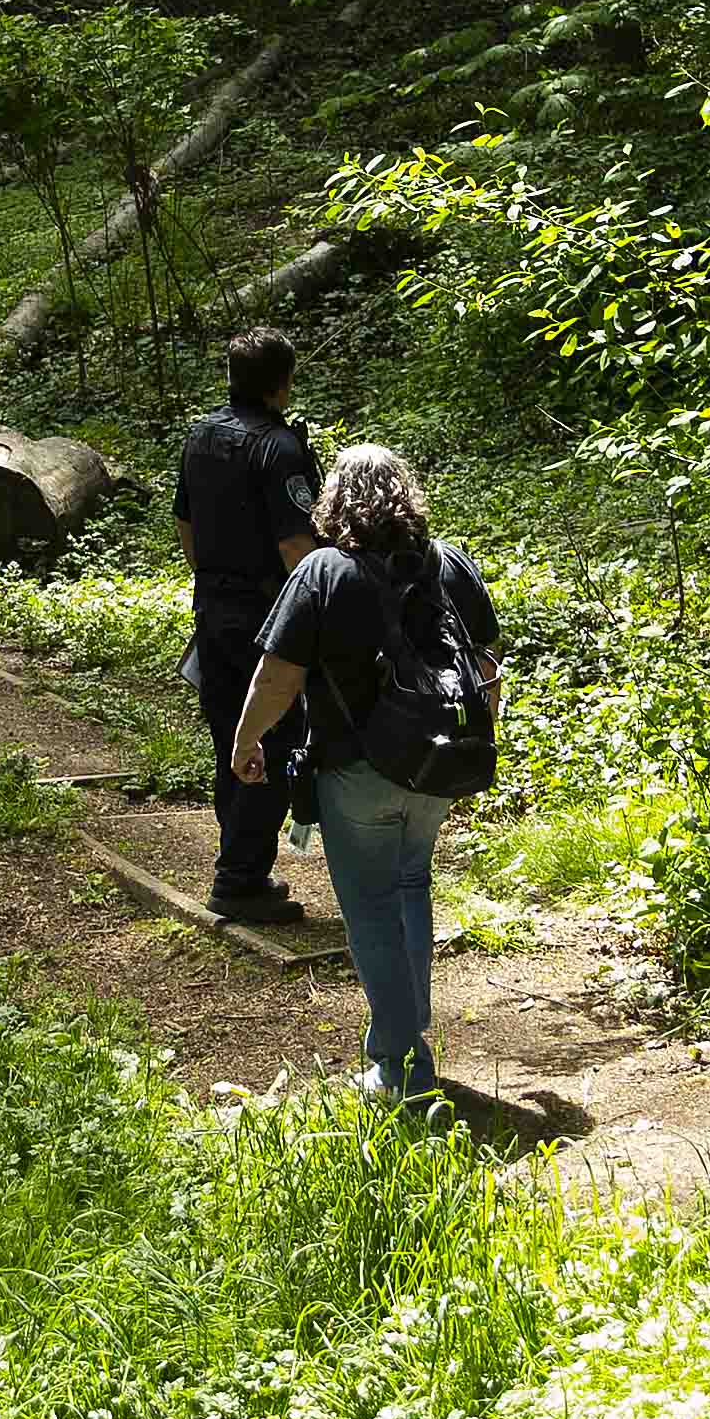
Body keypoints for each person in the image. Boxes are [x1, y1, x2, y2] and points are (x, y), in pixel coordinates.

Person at [230, 442, 504, 1100]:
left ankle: (402, 1067)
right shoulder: (450, 564)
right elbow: (488, 663)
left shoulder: (323, 571)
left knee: (373, 909)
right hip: (435, 767)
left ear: (335, 501)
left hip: (356, 772)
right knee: (410, 886)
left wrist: (246, 740)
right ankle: (407, 1032)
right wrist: (477, 732)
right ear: (406, 494)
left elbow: (277, 675)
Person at [169, 324, 324, 925]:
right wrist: (316, 613)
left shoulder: (200, 437)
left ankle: (244, 864)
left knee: (230, 738)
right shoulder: (280, 448)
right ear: (281, 385)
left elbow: (185, 524)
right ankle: (238, 879)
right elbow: (296, 545)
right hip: (267, 615)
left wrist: (215, 581)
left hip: (213, 608)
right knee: (273, 738)